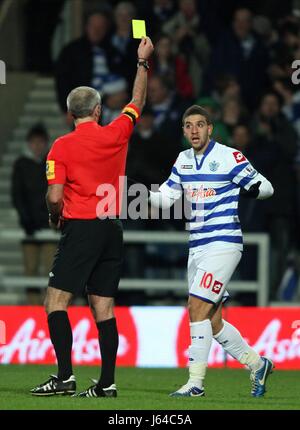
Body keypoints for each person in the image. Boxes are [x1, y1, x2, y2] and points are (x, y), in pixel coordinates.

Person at [30, 36, 154, 398]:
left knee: (55, 301)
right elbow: (137, 102)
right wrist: (142, 62)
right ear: (98, 111)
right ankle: (107, 384)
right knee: (103, 306)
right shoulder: (117, 133)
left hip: (81, 227)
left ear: (71, 114)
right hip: (112, 229)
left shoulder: (61, 147)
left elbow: (55, 196)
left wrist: (55, 214)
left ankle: (65, 377)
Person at [149, 105, 275, 397]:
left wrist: (255, 188)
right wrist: (136, 192)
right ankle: (258, 364)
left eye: (200, 124)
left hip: (224, 243)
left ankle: (195, 383)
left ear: (210, 129)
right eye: (188, 125)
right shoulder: (182, 161)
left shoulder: (229, 156)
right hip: (197, 246)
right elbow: (166, 199)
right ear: (184, 131)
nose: (194, 130)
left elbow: (266, 186)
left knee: (196, 307)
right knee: (213, 321)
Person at [11, 124, 57, 304]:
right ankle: (32, 305)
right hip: (29, 225)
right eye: (34, 142)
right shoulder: (21, 164)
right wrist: (25, 218)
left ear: (46, 143)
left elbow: (55, 189)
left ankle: (50, 306)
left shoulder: (51, 164)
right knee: (30, 268)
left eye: (41, 142)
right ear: (28, 143)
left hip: (49, 224)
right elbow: (17, 194)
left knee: (50, 269)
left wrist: (53, 217)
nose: (37, 146)